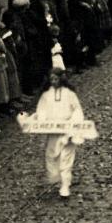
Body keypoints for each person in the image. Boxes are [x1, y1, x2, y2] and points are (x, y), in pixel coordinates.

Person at [20, 68, 85, 199]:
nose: (54, 82)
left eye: (56, 79)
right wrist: (36, 120)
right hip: (53, 131)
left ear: (61, 79)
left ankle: (65, 185)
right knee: (52, 155)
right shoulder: (46, 95)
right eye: (52, 79)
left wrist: (74, 124)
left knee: (66, 158)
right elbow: (41, 111)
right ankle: (58, 178)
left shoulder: (69, 94)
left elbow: (77, 110)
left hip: (67, 131)